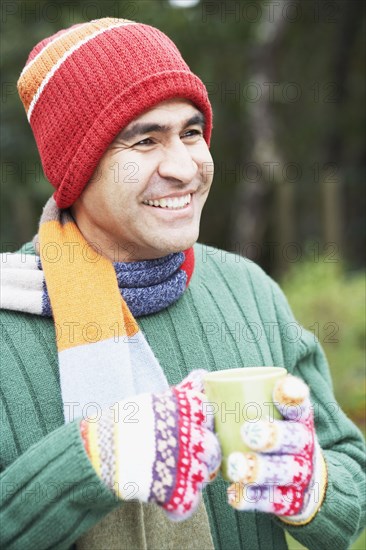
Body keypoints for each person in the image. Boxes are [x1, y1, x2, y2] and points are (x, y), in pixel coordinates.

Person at [0, 17, 364, 550]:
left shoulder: (249, 290)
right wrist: (94, 461)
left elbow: (350, 477)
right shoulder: (11, 320)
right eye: (145, 140)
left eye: (191, 132)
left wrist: (312, 488)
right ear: (76, 169)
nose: (184, 166)